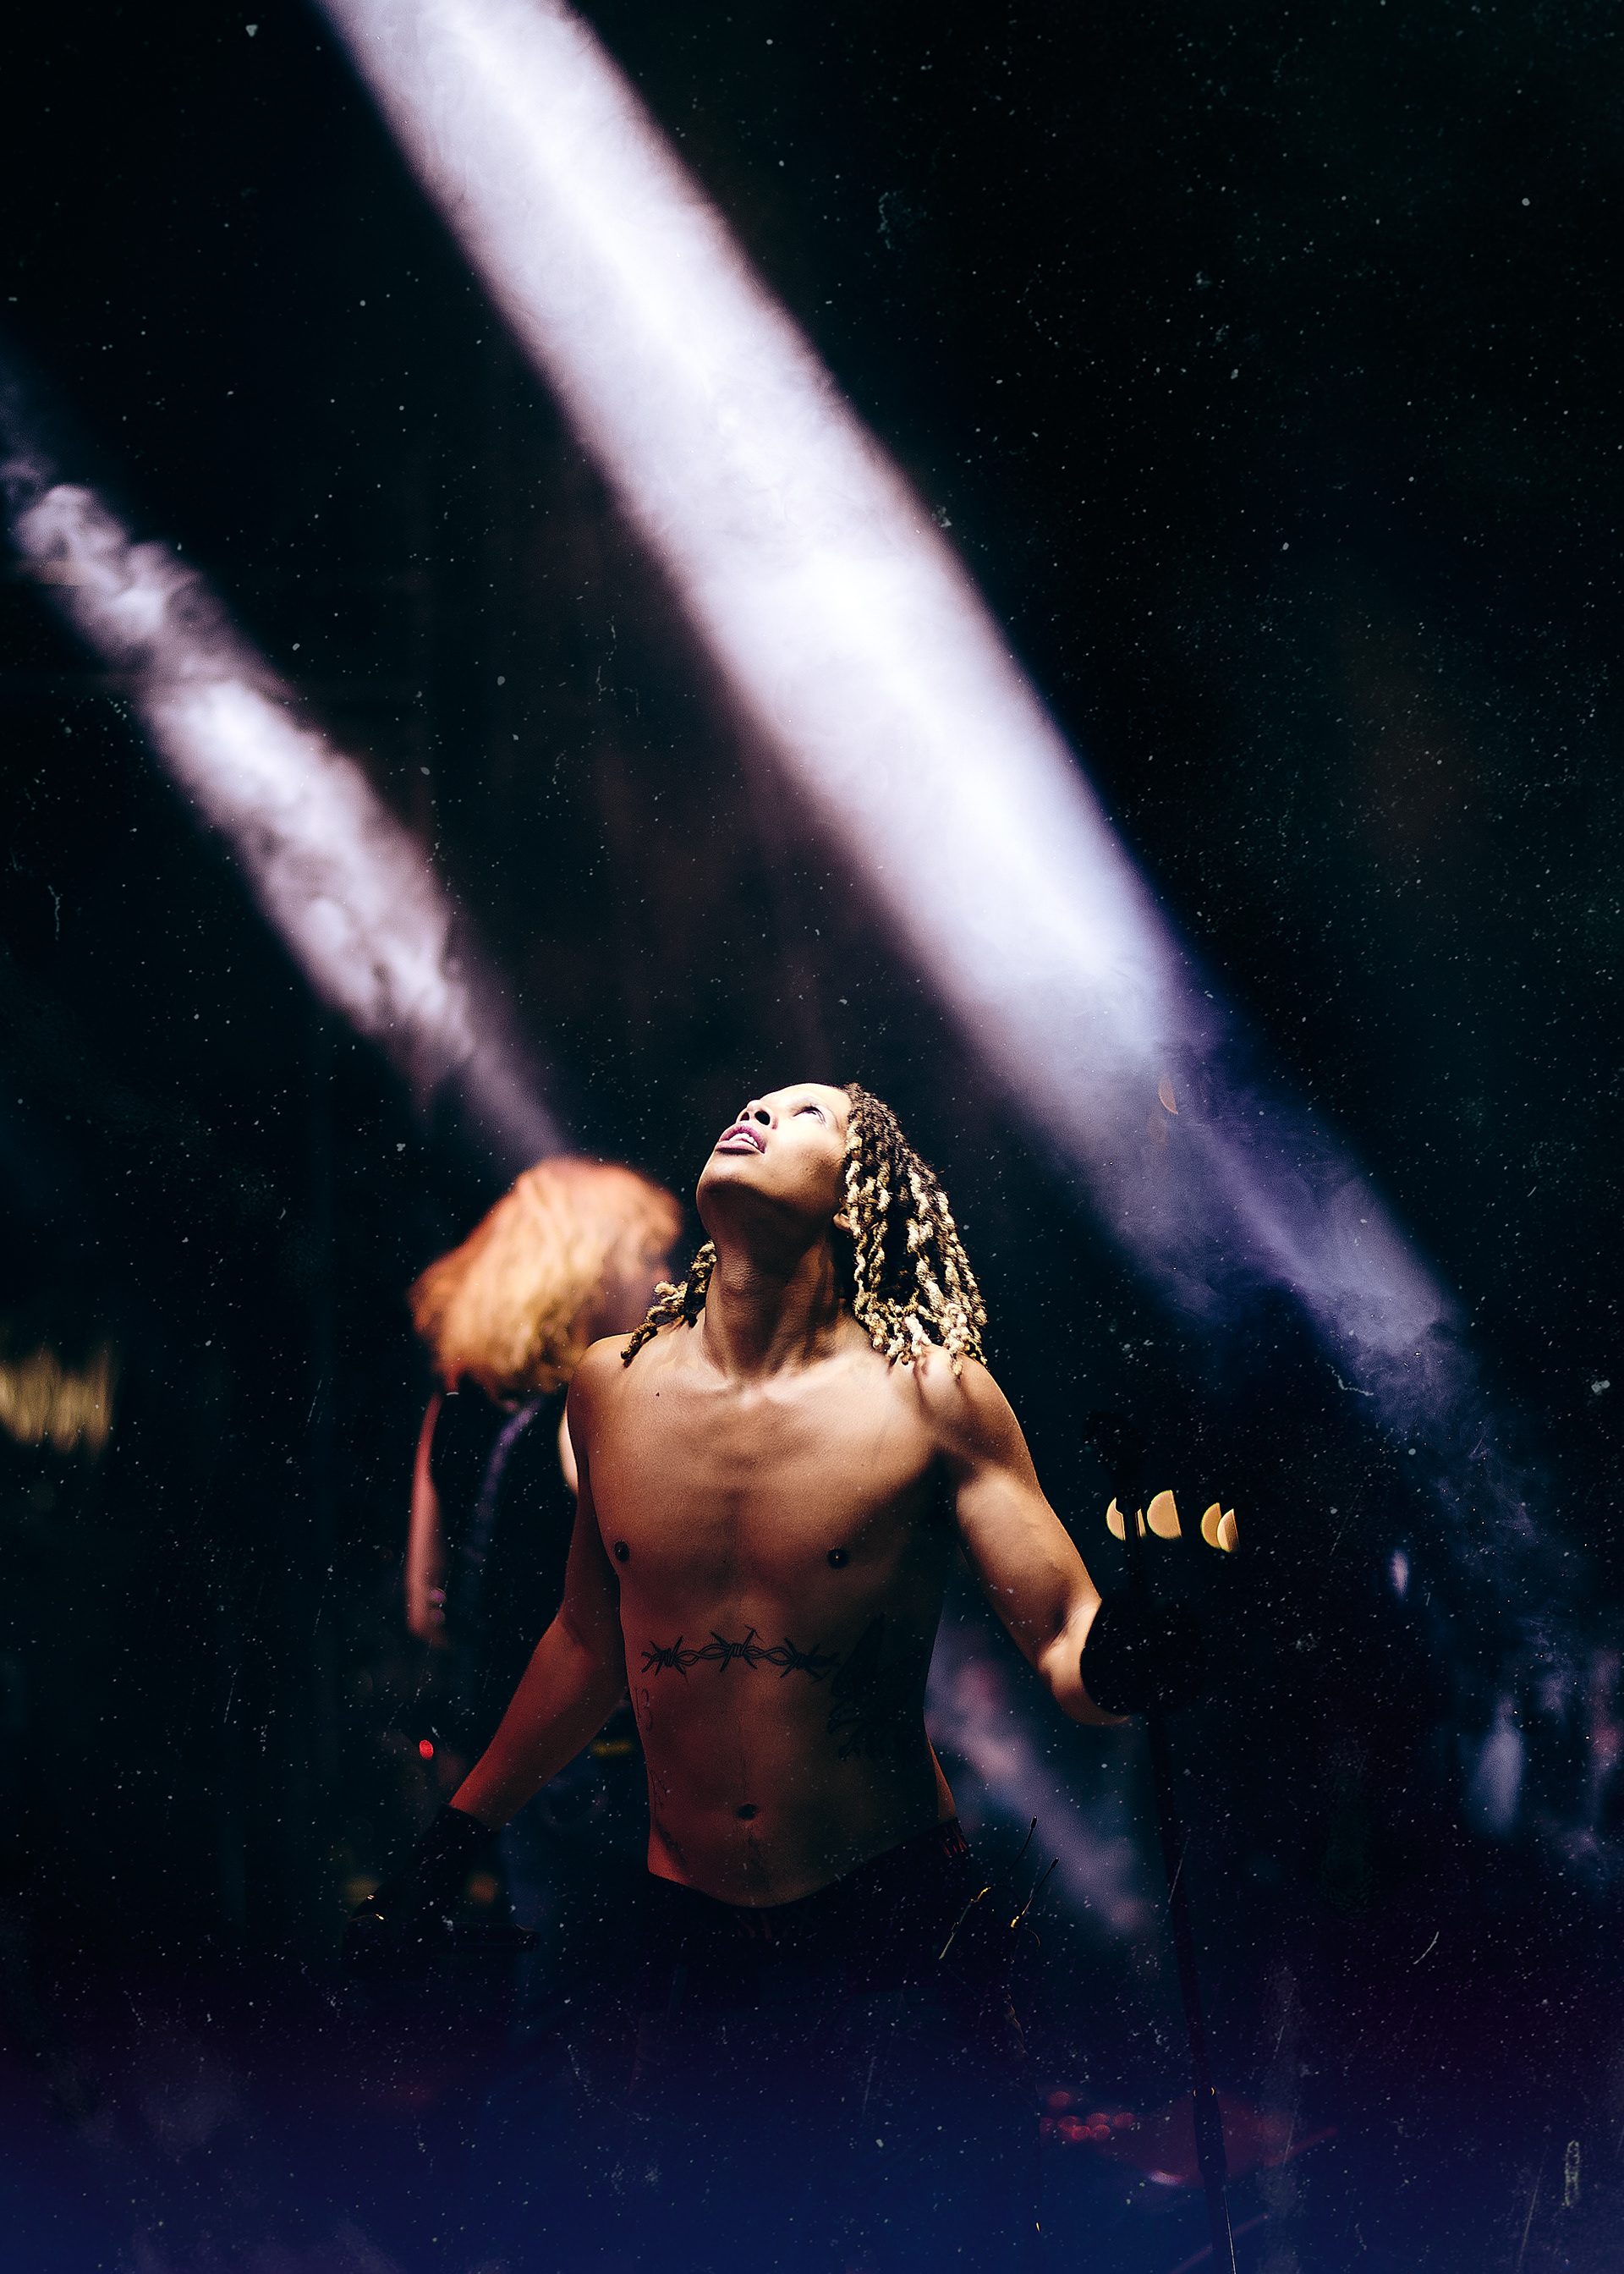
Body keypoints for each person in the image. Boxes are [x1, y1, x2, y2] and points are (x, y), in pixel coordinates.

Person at [354, 1084, 1195, 2271]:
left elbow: (1064, 1634)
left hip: (887, 1925)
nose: (757, 1113)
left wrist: (1130, 1657)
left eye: (805, 1114)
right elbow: (585, 1646)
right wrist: (454, 1837)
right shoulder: (609, 1388)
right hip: (691, 1940)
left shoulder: (934, 1395)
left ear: (858, 1196)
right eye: (754, 1103)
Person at [398, 1156, 679, 1963]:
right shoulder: (596, 1405)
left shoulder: (454, 1400)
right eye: (648, 1256)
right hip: (607, 1755)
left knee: (556, 1999)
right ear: (593, 1272)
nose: (665, 1278)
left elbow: (424, 1608)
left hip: (511, 1756)